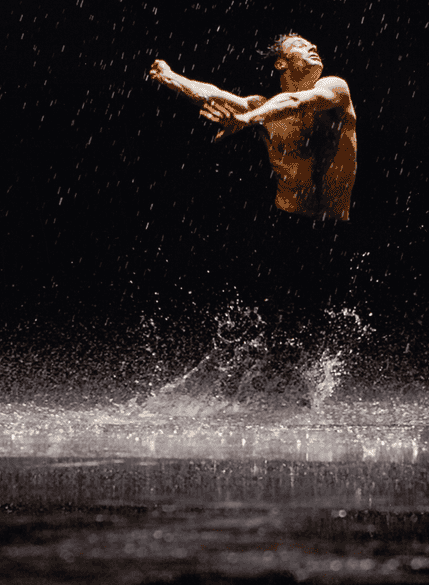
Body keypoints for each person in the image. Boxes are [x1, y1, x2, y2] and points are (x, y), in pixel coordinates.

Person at [147, 34, 360, 399]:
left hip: (331, 236)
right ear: (280, 63)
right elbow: (211, 94)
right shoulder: (261, 108)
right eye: (299, 45)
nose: (312, 47)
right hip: (286, 232)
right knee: (265, 337)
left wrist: (246, 118)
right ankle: (223, 400)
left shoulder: (334, 89)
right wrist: (170, 77)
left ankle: (282, 402)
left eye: (313, 44)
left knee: (310, 341)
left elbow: (296, 99)